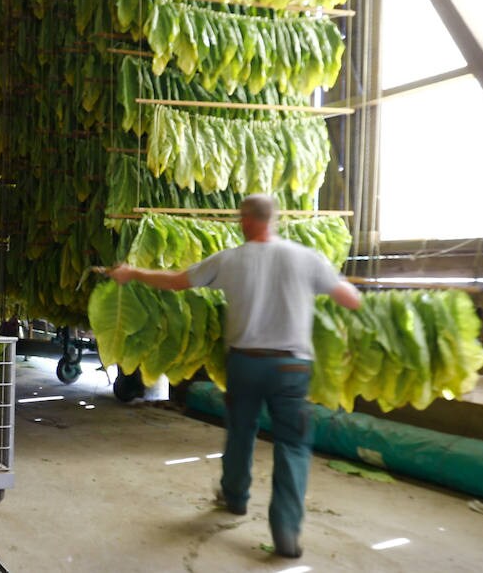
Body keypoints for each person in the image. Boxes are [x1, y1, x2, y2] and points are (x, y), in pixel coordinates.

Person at [96, 194, 362, 560]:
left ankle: (235, 499)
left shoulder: (232, 259)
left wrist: (132, 272)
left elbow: (176, 281)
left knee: (241, 432)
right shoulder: (306, 258)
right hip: (291, 368)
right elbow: (350, 300)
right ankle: (285, 532)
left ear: (246, 221)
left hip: (246, 364)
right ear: (275, 220)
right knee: (293, 446)